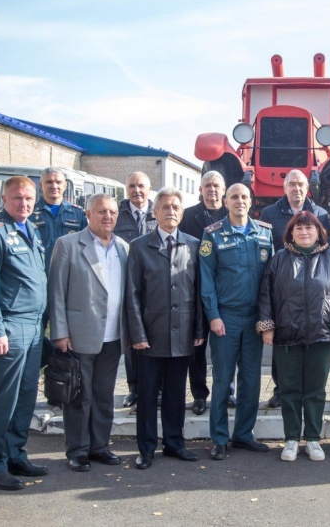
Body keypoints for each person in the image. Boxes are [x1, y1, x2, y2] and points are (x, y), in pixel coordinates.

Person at [257, 212, 330, 462]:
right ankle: (290, 439)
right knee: (289, 389)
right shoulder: (279, 259)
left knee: (315, 390)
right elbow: (266, 293)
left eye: (309, 228)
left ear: (318, 232)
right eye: (298, 228)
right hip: (287, 335)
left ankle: (312, 438)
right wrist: (267, 325)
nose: (304, 232)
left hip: (321, 335)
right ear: (291, 233)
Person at [0, 176, 48, 491]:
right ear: (5, 199)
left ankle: (15, 454)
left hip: (34, 326)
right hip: (10, 326)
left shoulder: (31, 230)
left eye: (29, 198)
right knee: (3, 398)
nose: (24, 204)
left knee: (26, 395)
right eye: (18, 198)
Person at [48, 194, 128, 472]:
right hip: (80, 336)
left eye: (113, 212)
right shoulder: (68, 245)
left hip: (113, 336)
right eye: (102, 211)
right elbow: (56, 291)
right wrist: (59, 332)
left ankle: (100, 446)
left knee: (104, 395)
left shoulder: (123, 248)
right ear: (88, 214)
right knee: (80, 397)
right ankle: (78, 450)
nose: (108, 217)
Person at [126, 188, 205, 469]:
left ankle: (174, 443)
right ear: (155, 212)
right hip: (150, 335)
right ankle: (146, 448)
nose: (171, 211)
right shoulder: (138, 247)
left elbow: (198, 293)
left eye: (175, 207)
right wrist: (137, 334)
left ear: (182, 214)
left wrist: (198, 330)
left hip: (182, 333)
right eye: (165, 206)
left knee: (175, 393)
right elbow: (132, 294)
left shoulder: (194, 245)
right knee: (147, 395)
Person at [200, 183, 274, 461]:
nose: (240, 201)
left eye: (244, 196)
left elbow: (271, 280)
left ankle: (244, 434)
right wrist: (213, 316)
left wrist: (268, 319)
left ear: (250, 200)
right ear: (225, 201)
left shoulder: (264, 233)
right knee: (222, 380)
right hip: (226, 318)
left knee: (252, 379)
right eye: (234, 197)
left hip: (255, 318)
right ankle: (219, 438)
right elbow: (206, 279)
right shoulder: (213, 235)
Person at [259, 169, 330, 409]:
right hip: (284, 288)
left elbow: (325, 249)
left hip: (312, 287)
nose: (297, 189)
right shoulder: (269, 214)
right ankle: (281, 389)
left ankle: (308, 391)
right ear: (284, 188)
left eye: (301, 184)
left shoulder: (321, 214)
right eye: (292, 184)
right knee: (284, 340)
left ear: (307, 187)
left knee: (310, 344)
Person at [29, 167, 88, 369]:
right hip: (39, 286)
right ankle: (33, 374)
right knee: (36, 336)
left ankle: (64, 385)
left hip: (67, 288)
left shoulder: (77, 214)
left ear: (64, 185)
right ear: (41, 185)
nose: (54, 186)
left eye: (58, 182)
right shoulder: (30, 213)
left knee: (67, 339)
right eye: (49, 182)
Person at [179, 171, 228, 415]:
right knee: (197, 347)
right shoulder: (188, 216)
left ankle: (227, 391)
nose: (212, 190)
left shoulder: (234, 213)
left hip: (225, 291)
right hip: (194, 289)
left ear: (223, 189)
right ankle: (199, 394)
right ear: (201, 189)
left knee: (225, 347)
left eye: (216, 185)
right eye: (207, 185)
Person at [114, 171, 158, 409]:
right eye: (132, 186)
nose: (137, 190)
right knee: (132, 339)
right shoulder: (116, 215)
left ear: (150, 188)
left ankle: (156, 388)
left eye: (141, 186)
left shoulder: (158, 212)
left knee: (155, 337)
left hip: (155, 286)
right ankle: (134, 388)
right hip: (127, 285)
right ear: (126, 189)